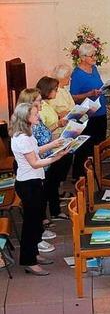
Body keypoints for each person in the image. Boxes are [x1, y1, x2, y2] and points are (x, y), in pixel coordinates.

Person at [10, 103, 69, 276]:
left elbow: (36, 151)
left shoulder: (27, 134)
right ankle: (29, 261)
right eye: (35, 114)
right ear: (26, 118)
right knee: (31, 224)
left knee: (36, 222)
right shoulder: (22, 138)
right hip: (28, 184)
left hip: (34, 181)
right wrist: (56, 158)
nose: (38, 116)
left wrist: (54, 144)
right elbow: (35, 162)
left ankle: (34, 254)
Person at [18, 89, 68, 229]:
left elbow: (42, 139)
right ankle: (42, 222)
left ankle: (54, 212)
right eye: (39, 101)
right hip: (38, 166)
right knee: (39, 199)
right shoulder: (25, 128)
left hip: (47, 157)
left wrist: (55, 143)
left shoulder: (35, 118)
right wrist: (54, 152)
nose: (41, 104)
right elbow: (34, 157)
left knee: (51, 187)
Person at [35, 79, 74, 220]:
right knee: (49, 183)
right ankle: (46, 215)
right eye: (55, 89)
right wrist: (58, 125)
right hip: (48, 149)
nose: (57, 92)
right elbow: (43, 132)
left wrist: (59, 122)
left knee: (54, 181)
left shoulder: (46, 104)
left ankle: (55, 210)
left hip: (55, 144)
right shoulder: (39, 109)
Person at [69, 43, 108, 180]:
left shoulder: (94, 69)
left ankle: (95, 171)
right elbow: (73, 97)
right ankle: (80, 175)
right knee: (85, 147)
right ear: (83, 57)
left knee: (98, 144)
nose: (94, 58)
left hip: (100, 110)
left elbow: (99, 85)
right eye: (92, 56)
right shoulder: (77, 74)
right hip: (88, 114)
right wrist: (89, 93)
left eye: (94, 55)